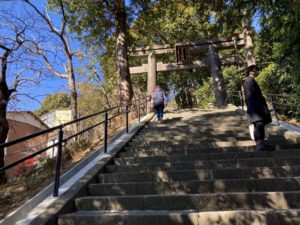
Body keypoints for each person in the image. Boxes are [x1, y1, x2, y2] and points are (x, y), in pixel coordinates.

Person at [243, 65, 273, 151]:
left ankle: (261, 145)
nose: (258, 72)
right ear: (251, 71)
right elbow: (252, 96)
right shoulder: (249, 81)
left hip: (255, 107)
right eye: (256, 70)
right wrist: (262, 107)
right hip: (256, 108)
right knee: (259, 125)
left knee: (259, 125)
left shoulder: (250, 81)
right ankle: (260, 146)